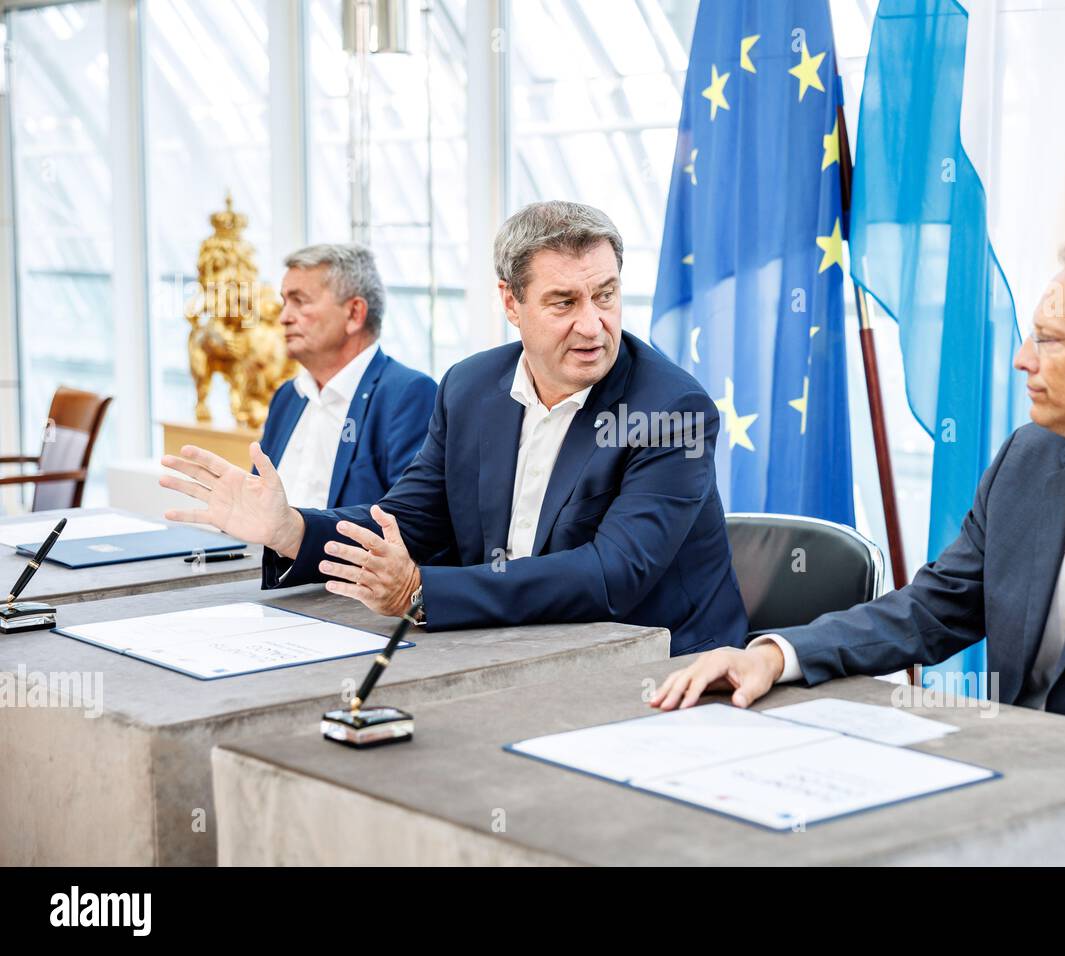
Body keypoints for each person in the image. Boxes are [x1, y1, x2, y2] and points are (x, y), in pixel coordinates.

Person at [652, 240, 1065, 865]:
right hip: (1012, 810)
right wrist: (777, 653)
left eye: (1049, 339)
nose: (1023, 358)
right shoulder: (1030, 456)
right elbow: (934, 608)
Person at [160, 200, 748, 656]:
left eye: (606, 295)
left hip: (656, 662)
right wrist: (291, 531)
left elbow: (611, 575)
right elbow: (410, 521)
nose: (593, 325)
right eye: (564, 302)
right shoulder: (470, 388)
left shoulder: (674, 410)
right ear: (510, 303)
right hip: (507, 642)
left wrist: (422, 593)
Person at [259, 243, 437, 509]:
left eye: (300, 301)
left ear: (354, 313)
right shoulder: (288, 396)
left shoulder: (408, 394)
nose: (284, 317)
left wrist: (300, 533)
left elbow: (410, 518)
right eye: (284, 302)